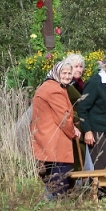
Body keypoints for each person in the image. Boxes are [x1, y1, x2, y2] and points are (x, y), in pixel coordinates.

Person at [30, 60, 81, 198]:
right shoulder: (54, 89)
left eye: (69, 73)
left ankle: (50, 207)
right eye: (64, 73)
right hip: (55, 141)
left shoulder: (50, 86)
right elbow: (63, 118)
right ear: (57, 73)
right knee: (59, 178)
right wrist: (73, 131)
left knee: (52, 176)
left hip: (47, 138)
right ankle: (55, 208)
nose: (67, 76)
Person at [77, 51, 106, 199]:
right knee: (102, 166)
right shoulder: (95, 83)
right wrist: (87, 131)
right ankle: (101, 198)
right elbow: (82, 108)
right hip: (96, 130)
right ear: (104, 66)